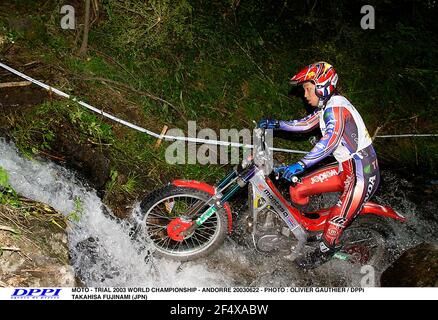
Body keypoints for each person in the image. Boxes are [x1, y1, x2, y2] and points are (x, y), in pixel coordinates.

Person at [258, 62, 380, 269]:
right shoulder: (329, 106)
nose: (305, 94)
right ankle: (301, 229)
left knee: (335, 223)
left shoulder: (337, 109)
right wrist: (276, 124)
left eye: (307, 88)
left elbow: (329, 142)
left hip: (363, 174)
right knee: (298, 188)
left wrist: (301, 164)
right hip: (344, 169)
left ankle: (324, 251)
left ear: (322, 84)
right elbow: (305, 124)